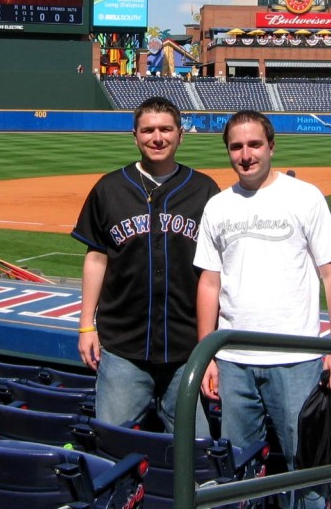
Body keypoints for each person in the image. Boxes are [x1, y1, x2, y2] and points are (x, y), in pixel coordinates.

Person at [195, 110, 331, 505]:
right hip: (233, 360)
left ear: (271, 146)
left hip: (296, 360)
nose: (246, 155)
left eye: (254, 144)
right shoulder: (218, 206)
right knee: (237, 471)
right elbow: (209, 283)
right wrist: (207, 354)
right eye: (236, 146)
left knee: (308, 471)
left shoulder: (305, 196)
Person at [73, 96, 219, 434]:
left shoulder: (205, 190)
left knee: (195, 450)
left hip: (188, 346)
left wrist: (211, 343)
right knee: (113, 444)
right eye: (148, 130)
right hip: (124, 345)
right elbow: (96, 256)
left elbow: (216, 272)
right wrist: (85, 325)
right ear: (135, 135)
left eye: (166, 129)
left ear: (180, 134)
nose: (157, 138)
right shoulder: (109, 188)